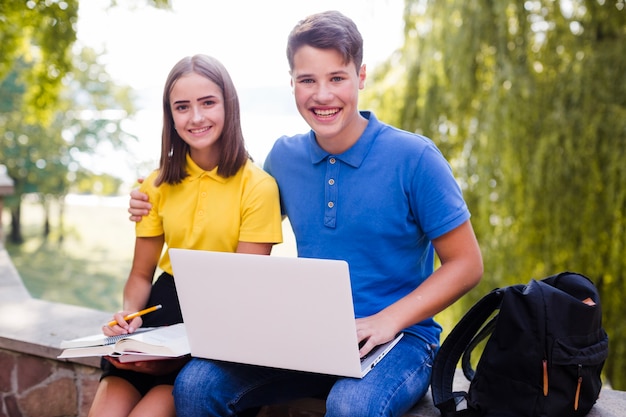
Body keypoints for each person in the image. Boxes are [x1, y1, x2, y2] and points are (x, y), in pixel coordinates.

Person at [129, 10, 483, 417]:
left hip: (400, 341)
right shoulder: (284, 157)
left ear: (361, 76)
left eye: (337, 78)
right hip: (309, 336)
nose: (322, 95)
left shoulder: (415, 157)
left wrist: (387, 320)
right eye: (307, 80)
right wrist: (151, 193)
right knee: (196, 384)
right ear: (292, 83)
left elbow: (467, 264)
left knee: (351, 406)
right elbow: (232, 207)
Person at [89, 54, 283, 417]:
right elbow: (141, 275)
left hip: (214, 331)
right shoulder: (156, 183)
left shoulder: (258, 187)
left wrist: (166, 361)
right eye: (182, 107)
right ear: (170, 116)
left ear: (229, 105)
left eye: (208, 102)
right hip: (157, 315)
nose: (196, 117)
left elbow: (241, 294)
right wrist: (129, 319)